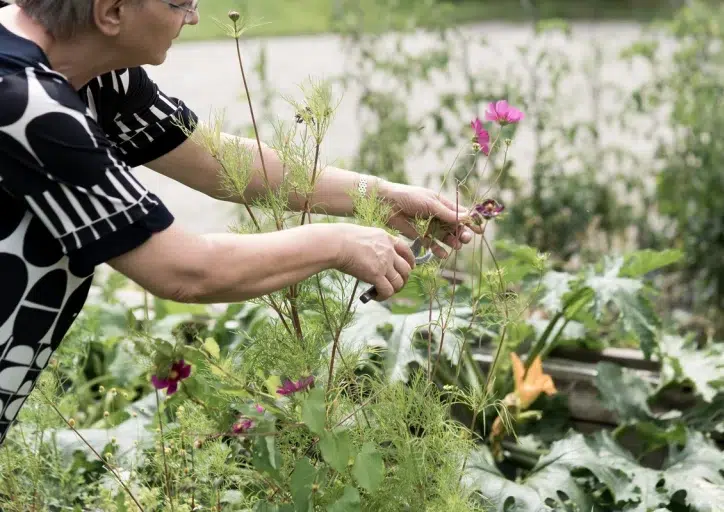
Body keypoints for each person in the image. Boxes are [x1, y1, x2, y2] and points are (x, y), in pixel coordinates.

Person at [0, 0, 480, 446]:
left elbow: (217, 162)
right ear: (111, 11)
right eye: (180, 2)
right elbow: (185, 270)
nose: (191, 16)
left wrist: (377, 195)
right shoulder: (24, 100)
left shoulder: (93, 73)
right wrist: (338, 245)